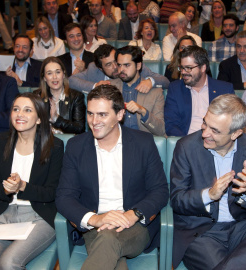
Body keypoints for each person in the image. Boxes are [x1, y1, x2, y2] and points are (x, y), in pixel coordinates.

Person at [169, 93, 246, 269]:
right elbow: (177, 200)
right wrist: (209, 195)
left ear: (236, 133)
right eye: (205, 123)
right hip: (202, 233)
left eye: (215, 130)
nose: (204, 133)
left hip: (241, 229)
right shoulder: (186, 147)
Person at [56, 84, 169, 270]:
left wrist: (135, 214)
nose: (94, 121)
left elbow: (160, 190)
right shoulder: (76, 146)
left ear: (119, 114)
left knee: (108, 239)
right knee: (111, 250)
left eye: (102, 114)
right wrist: (95, 219)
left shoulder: (143, 143)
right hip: (95, 224)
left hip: (133, 225)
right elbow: (64, 196)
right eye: (90, 113)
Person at [0, 92, 63, 270]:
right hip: (4, 213)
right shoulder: (0, 141)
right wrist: (7, 190)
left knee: (9, 262)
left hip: (39, 215)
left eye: (27, 110)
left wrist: (22, 186)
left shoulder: (54, 146)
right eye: (16, 109)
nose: (20, 114)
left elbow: (52, 193)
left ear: (39, 119)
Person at [164, 46, 234, 136]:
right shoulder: (175, 89)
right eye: (182, 68)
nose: (184, 72)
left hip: (216, 142)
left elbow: (231, 123)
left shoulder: (224, 89)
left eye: (188, 68)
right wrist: (187, 142)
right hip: (186, 141)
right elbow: (171, 125)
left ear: (203, 67)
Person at [109, 46, 165, 135]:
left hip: (142, 142)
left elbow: (160, 131)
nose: (121, 70)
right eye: (119, 65)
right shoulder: (109, 87)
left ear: (138, 65)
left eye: (127, 65)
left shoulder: (156, 92)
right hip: (116, 142)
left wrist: (143, 111)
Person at [69, 44, 170, 92]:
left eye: (115, 61)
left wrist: (150, 81)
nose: (116, 67)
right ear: (100, 68)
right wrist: (95, 85)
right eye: (108, 65)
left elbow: (165, 81)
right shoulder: (93, 69)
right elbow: (71, 81)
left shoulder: (132, 67)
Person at [33, 57, 85, 134]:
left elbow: (79, 128)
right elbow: (32, 125)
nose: (54, 77)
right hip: (44, 142)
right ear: (44, 77)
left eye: (58, 72)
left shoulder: (76, 97)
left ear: (63, 74)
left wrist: (56, 119)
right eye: (49, 73)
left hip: (68, 143)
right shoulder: (37, 95)